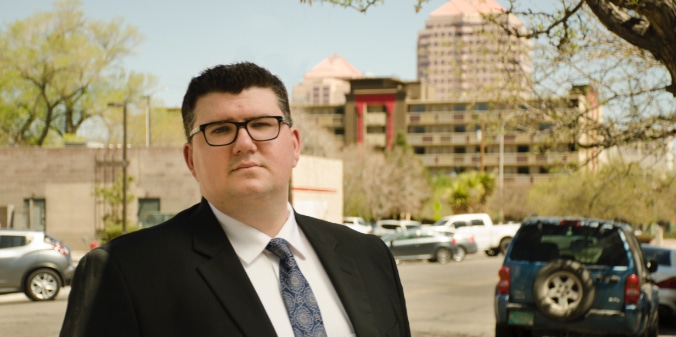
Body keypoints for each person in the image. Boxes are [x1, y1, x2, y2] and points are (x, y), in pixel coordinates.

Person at [60, 62, 411, 337]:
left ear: (295, 145)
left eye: (262, 124)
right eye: (220, 130)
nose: (244, 143)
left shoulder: (369, 256)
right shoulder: (121, 273)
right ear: (190, 159)